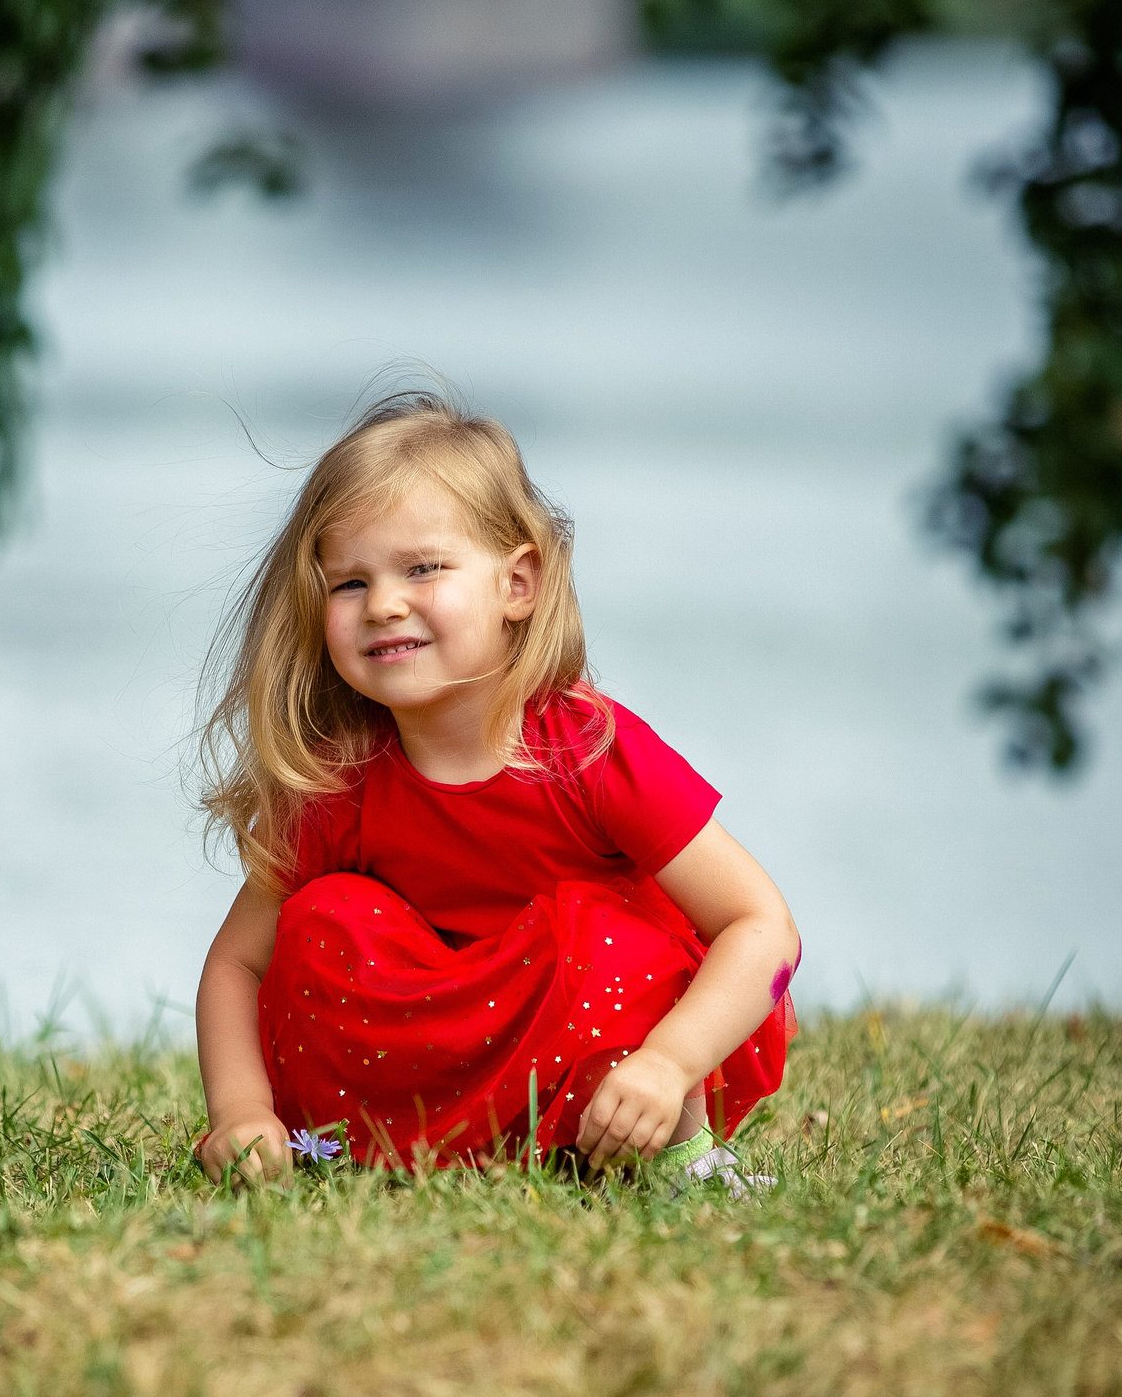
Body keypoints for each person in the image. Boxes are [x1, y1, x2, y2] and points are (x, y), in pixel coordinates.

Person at [191, 390, 799, 1181]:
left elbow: (762, 925)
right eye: (349, 583)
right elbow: (236, 965)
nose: (383, 604)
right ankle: (390, 1148)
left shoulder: (589, 750)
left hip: (614, 1065)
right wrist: (240, 1109)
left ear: (519, 584)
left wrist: (669, 1063)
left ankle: (675, 1159)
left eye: (422, 568)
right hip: (434, 1067)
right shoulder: (339, 782)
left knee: (601, 939)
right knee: (323, 922)